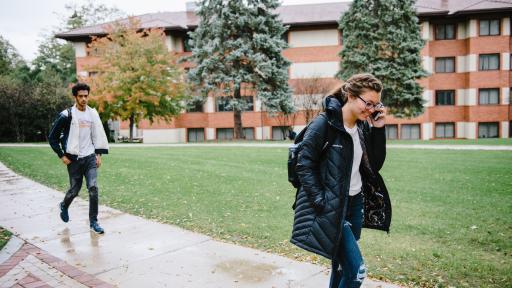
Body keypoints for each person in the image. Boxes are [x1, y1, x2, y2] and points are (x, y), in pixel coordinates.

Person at [290, 73, 392, 288]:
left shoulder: (363, 127)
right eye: (368, 103)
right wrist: (322, 201)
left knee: (340, 266)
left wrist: (379, 129)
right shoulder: (324, 124)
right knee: (357, 271)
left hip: (354, 205)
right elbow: (304, 165)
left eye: (376, 105)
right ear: (351, 96)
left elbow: (374, 165)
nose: (372, 109)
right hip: (332, 207)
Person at [48, 83, 109, 234]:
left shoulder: (92, 114)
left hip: (89, 158)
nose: (83, 99)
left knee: (93, 188)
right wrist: (61, 155)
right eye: (80, 96)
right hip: (74, 159)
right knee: (74, 190)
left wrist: (98, 154)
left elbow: (97, 135)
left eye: (86, 96)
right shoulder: (66, 115)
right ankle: (64, 205)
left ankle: (93, 222)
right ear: (75, 97)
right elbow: (52, 137)